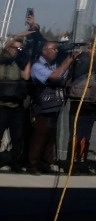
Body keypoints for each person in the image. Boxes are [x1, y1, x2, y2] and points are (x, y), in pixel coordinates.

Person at [27, 41, 78, 174]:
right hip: (42, 107)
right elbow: (55, 76)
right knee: (39, 137)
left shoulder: (54, 65)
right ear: (45, 51)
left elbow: (62, 77)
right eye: (54, 49)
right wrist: (69, 59)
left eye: (57, 50)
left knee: (50, 138)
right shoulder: (37, 66)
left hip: (54, 106)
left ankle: (46, 163)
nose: (56, 52)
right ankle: (32, 164)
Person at [67, 41, 96, 173]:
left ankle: (82, 161)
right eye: (93, 47)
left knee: (87, 134)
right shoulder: (82, 59)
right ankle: (73, 162)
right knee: (76, 133)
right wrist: (94, 57)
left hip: (92, 100)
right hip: (79, 99)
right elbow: (81, 72)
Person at [0, 34, 32, 171]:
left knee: (17, 137)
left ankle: (15, 162)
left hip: (16, 106)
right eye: (14, 48)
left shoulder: (18, 62)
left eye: (18, 49)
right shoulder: (2, 59)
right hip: (2, 105)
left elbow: (26, 76)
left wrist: (27, 58)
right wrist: (19, 37)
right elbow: (8, 46)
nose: (16, 51)